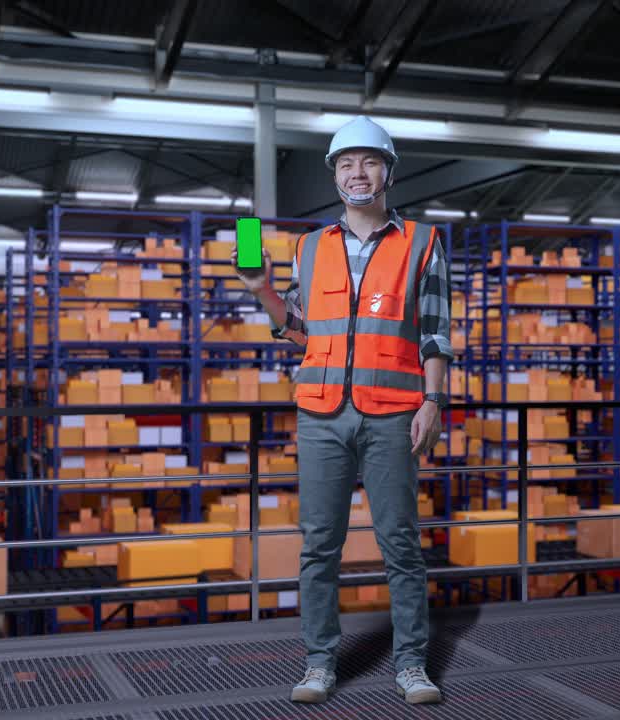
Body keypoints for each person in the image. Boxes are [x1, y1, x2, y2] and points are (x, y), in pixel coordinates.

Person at [233, 115, 452, 705]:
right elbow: (300, 333)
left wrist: (434, 400)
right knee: (318, 543)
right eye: (346, 164)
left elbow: (435, 332)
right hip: (323, 412)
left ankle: (411, 665)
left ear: (388, 172)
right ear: (335, 177)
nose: (359, 173)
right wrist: (261, 289)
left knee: (400, 542)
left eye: (370, 162)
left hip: (392, 412)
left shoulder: (423, 243)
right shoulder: (309, 248)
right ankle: (319, 663)